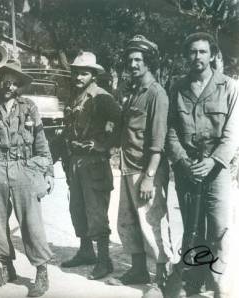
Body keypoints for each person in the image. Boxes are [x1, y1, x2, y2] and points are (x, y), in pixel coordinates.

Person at [0, 59, 54, 297]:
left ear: (20, 86)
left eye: (15, 83)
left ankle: (41, 271)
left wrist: (48, 172)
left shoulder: (29, 107)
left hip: (23, 166)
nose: (9, 86)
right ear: (0, 80)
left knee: (31, 222)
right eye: (6, 80)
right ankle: (6, 267)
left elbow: (41, 142)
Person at [166, 32, 239, 298]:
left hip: (216, 168)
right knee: (191, 224)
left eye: (202, 52)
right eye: (192, 52)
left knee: (218, 226)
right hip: (187, 168)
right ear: (187, 55)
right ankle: (195, 277)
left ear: (212, 55)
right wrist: (182, 161)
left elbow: (233, 133)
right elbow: (171, 127)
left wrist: (212, 161)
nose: (197, 57)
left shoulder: (228, 86)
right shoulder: (177, 87)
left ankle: (217, 280)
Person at [116, 35, 174, 297]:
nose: (133, 64)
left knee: (152, 222)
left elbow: (158, 141)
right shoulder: (132, 93)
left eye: (138, 59)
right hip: (128, 168)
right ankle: (138, 269)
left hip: (145, 170)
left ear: (148, 62)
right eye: (130, 59)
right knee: (127, 222)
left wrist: (150, 176)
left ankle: (161, 280)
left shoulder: (156, 94)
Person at [60, 51, 121, 280]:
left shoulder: (102, 97)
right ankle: (86, 251)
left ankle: (105, 260)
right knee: (77, 208)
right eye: (76, 72)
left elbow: (120, 123)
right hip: (75, 162)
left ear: (93, 75)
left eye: (83, 73)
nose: (78, 77)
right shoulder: (76, 96)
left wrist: (104, 145)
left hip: (94, 163)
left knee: (96, 213)